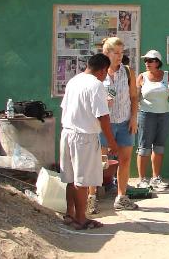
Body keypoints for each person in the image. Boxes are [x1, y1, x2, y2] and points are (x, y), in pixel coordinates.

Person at [59, 53, 118, 230]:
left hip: (67, 132)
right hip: (84, 136)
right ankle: (81, 218)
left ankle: (70, 214)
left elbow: (66, 107)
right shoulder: (96, 85)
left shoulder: (74, 81)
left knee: (71, 179)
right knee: (82, 181)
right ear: (103, 70)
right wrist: (111, 142)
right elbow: (103, 117)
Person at [96, 37, 139, 211]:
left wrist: (134, 118)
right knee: (99, 161)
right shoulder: (99, 73)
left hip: (124, 122)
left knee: (125, 160)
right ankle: (92, 196)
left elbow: (134, 96)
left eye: (122, 53)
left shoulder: (128, 72)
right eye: (116, 53)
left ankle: (121, 197)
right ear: (106, 53)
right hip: (103, 123)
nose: (120, 56)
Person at [136, 50, 169, 190]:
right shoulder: (141, 77)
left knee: (159, 147)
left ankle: (156, 178)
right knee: (144, 148)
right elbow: (135, 96)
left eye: (150, 60)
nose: (147, 63)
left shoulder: (167, 75)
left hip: (164, 115)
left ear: (157, 62)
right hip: (146, 115)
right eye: (145, 60)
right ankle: (142, 180)